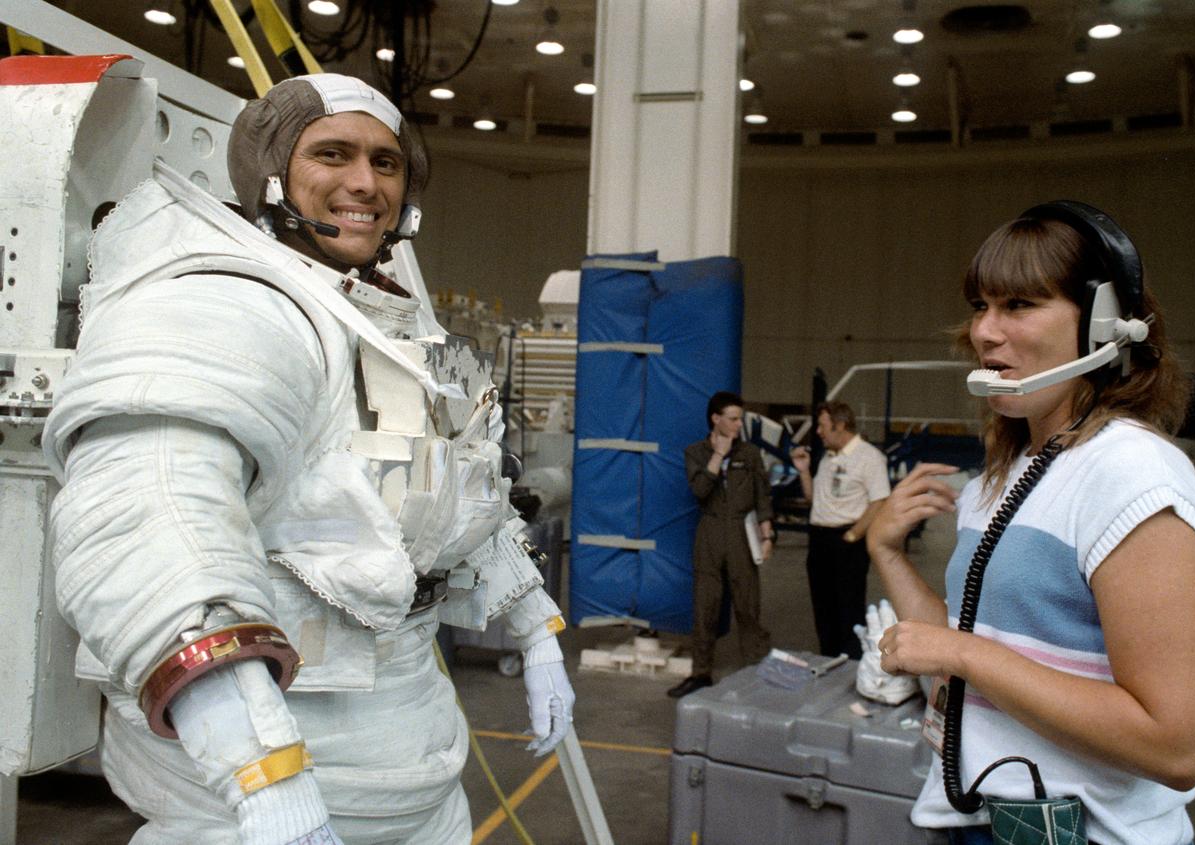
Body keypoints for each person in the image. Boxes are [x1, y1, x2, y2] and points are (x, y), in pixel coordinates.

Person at [43, 73, 574, 845]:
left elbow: (452, 497)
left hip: (410, 765)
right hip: (251, 796)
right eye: (333, 154)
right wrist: (264, 776)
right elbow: (149, 526)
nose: (365, 182)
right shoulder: (220, 302)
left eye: (386, 163)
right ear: (270, 171)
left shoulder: (377, 321)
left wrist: (534, 633)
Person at [867, 203, 1195, 845]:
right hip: (982, 822)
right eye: (981, 306)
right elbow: (958, 654)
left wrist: (964, 652)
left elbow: (1179, 745)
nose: (985, 332)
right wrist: (886, 551)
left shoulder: (1133, 476)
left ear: (1104, 324)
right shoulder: (1000, 478)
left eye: (1019, 305)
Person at [667, 392, 775, 698]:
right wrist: (718, 455)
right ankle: (700, 673)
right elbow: (700, 490)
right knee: (706, 606)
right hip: (711, 531)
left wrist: (767, 537)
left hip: (742, 532)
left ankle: (755, 670)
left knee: (748, 604)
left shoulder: (750, 454)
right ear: (716, 419)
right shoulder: (696, 452)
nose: (739, 424)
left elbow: (762, 497)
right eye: (733, 418)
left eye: (740, 418)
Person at [789, 401, 890, 660]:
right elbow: (815, 500)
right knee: (823, 607)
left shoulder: (869, 458)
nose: (819, 432)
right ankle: (828, 661)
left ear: (840, 424)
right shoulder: (828, 456)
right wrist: (803, 472)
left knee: (848, 610)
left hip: (846, 541)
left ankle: (851, 665)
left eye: (822, 426)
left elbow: (879, 501)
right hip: (819, 538)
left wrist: (853, 535)